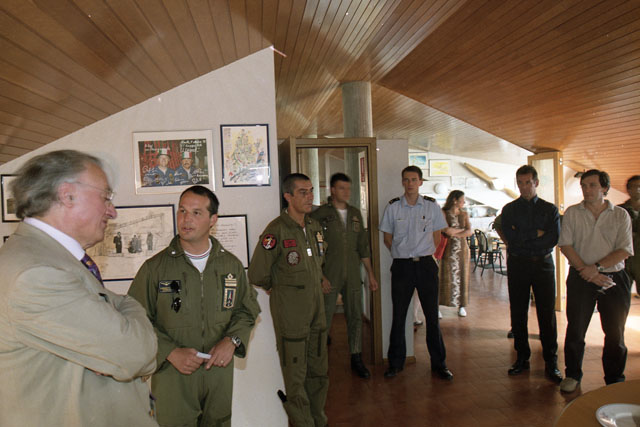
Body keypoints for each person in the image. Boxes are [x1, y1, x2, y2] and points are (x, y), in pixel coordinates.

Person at [0, 150, 158, 426]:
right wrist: (128, 314)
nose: (112, 211)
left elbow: (121, 307)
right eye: (105, 196)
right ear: (67, 195)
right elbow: (135, 353)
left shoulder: (49, 259)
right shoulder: (37, 274)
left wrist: (122, 314)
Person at [128, 185, 260, 426]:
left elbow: (247, 309)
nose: (186, 219)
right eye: (182, 211)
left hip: (217, 372)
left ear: (213, 220)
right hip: (173, 373)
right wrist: (170, 352)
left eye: (196, 213)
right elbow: (135, 319)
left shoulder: (231, 266)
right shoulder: (155, 269)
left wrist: (232, 341)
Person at [248, 173, 328, 427]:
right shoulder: (276, 231)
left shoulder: (314, 227)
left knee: (319, 372)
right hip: (291, 315)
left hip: (317, 313)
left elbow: (317, 264)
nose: (310, 197)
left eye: (311, 191)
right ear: (288, 197)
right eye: (303, 192)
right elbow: (257, 273)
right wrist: (277, 286)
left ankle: (318, 419)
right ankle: (304, 423)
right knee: (296, 376)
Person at [558, 169, 633, 393]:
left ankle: (614, 378)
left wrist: (596, 268)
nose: (587, 190)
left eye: (592, 185)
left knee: (615, 333)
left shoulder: (620, 215)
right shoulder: (573, 213)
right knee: (576, 329)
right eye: (584, 186)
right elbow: (565, 245)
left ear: (604, 188)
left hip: (614, 279)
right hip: (580, 277)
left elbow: (624, 250)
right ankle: (572, 375)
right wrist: (587, 271)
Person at [379, 165, 453, 380]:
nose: (409, 183)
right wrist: (403, 253)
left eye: (413, 179)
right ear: (402, 182)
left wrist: (423, 253)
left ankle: (439, 364)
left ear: (420, 182)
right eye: (406, 179)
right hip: (402, 266)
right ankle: (395, 363)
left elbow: (437, 237)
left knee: (432, 316)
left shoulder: (431, 206)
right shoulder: (393, 207)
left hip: (426, 266)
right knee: (399, 316)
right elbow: (387, 239)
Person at [310, 173, 379, 379]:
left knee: (355, 315)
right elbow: (312, 249)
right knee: (324, 317)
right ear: (332, 190)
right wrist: (321, 276)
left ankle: (356, 357)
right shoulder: (320, 215)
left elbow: (363, 247)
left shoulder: (355, 214)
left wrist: (370, 275)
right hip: (329, 274)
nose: (346, 192)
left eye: (348, 188)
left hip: (352, 274)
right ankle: (318, 362)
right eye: (342, 188)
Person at [500, 165, 562, 382]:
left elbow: (552, 239)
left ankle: (551, 362)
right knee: (518, 312)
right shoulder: (509, 210)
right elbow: (510, 239)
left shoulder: (549, 209)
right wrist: (535, 233)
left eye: (527, 182)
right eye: (520, 183)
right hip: (518, 264)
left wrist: (523, 236)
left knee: (547, 314)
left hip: (543, 265)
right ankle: (521, 358)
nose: (524, 187)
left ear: (536, 182)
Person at [438, 190, 473, 317]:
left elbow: (470, 231)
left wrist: (455, 232)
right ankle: (438, 306)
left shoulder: (464, 214)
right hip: (447, 249)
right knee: (443, 276)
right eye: (462, 200)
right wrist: (461, 230)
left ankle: (462, 306)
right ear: (454, 200)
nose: (464, 202)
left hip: (463, 250)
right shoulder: (443, 212)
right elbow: (446, 230)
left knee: (463, 276)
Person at [618, 175, 640, 298]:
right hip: (623, 260)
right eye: (634, 186)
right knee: (621, 297)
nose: (638, 189)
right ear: (628, 189)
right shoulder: (619, 210)